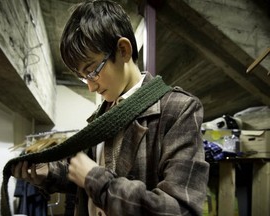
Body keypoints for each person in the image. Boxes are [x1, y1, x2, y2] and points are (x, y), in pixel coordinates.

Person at [12, 0, 209, 215]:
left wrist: (97, 181)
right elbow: (84, 178)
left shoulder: (178, 110)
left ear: (123, 50)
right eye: (82, 77)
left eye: (92, 70)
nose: (89, 85)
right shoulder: (102, 117)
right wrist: (49, 173)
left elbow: (181, 209)